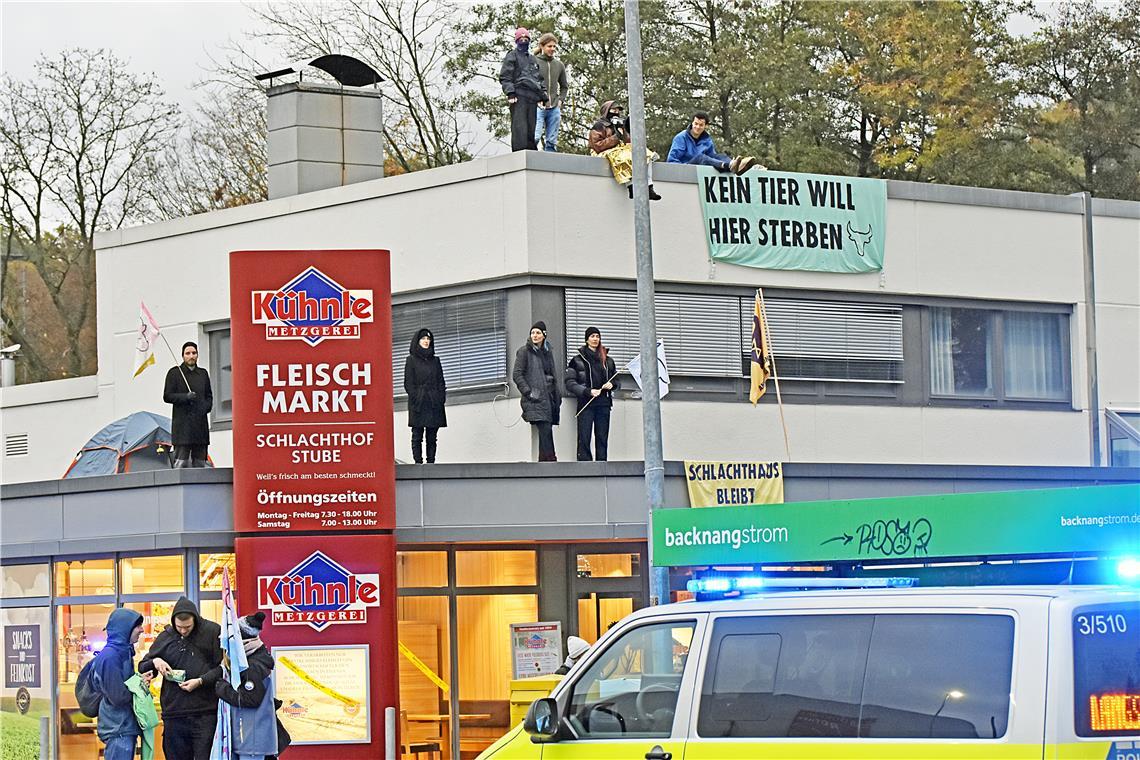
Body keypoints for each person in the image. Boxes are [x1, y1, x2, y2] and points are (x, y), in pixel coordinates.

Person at [139, 597, 223, 760]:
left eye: (188, 627)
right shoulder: (166, 636)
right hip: (174, 715)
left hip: (205, 713)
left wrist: (201, 681)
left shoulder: (212, 631)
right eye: (179, 627)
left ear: (195, 620)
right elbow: (143, 666)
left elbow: (224, 668)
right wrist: (155, 662)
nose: (183, 631)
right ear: (173, 622)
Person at [214, 612, 291, 759]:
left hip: (253, 740)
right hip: (253, 736)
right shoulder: (254, 658)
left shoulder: (252, 666)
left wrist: (222, 688)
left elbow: (250, 699)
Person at [95, 608, 147, 760]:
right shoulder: (111, 657)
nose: (141, 630)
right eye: (137, 626)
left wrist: (138, 680)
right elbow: (118, 697)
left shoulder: (122, 652)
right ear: (126, 628)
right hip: (119, 729)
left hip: (122, 727)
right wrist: (138, 686)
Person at [565, 326, 620, 461]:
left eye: (597, 336)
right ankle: (585, 467)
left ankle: (602, 466)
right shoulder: (577, 360)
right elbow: (569, 383)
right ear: (587, 339)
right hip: (586, 404)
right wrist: (587, 391)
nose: (595, 339)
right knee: (584, 437)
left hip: (604, 404)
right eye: (592, 336)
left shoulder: (608, 360)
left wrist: (612, 385)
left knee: (602, 437)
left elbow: (617, 380)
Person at [588, 100, 661, 200]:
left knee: (643, 154)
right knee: (623, 156)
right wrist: (615, 137)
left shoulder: (619, 124)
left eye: (618, 110)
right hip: (604, 152)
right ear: (606, 111)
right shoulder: (599, 126)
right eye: (613, 109)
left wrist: (626, 130)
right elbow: (597, 146)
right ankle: (631, 186)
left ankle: (649, 187)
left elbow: (628, 142)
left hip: (620, 149)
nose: (616, 112)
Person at [512, 321, 561, 461]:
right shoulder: (524, 351)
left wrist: (557, 396)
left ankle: (544, 463)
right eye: (532, 332)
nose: (535, 335)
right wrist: (529, 392)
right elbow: (517, 374)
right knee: (545, 429)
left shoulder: (547, 351)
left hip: (550, 398)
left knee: (546, 430)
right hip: (536, 398)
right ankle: (551, 461)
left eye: (538, 332)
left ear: (544, 335)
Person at [163, 341, 213, 468]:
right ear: (183, 356)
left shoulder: (203, 373)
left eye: (194, 353)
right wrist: (185, 397)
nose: (191, 356)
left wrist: (205, 408)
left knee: (201, 464)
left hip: (200, 427)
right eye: (188, 353)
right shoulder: (174, 373)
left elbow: (209, 396)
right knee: (181, 462)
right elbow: (167, 396)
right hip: (182, 428)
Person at [499, 27, 548, 152]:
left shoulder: (532, 59)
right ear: (516, 41)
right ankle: (520, 154)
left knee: (531, 128)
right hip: (518, 97)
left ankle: (531, 153)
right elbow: (505, 76)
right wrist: (510, 92)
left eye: (526, 39)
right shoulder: (512, 56)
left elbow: (539, 78)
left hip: (532, 98)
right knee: (520, 127)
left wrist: (543, 96)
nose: (524, 41)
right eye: (521, 39)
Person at [404, 328, 447, 464]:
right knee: (417, 435)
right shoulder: (411, 360)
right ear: (417, 341)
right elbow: (408, 383)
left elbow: (441, 381)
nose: (426, 341)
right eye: (423, 339)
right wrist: (417, 396)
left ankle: (431, 462)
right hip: (419, 403)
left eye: (428, 339)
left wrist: (440, 398)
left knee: (432, 436)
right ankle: (418, 462)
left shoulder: (436, 361)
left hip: (434, 402)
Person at [667, 111, 758, 175]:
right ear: (692, 123)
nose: (697, 127)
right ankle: (731, 165)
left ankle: (736, 166)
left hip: (701, 169)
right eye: (696, 124)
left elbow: (713, 158)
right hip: (685, 168)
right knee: (701, 157)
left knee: (720, 156)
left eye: (701, 125)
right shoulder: (681, 138)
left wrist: (720, 160)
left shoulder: (707, 139)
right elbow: (671, 160)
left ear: (706, 126)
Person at [533, 33, 569, 152]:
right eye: (549, 46)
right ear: (542, 46)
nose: (552, 49)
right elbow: (528, 83)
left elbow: (564, 86)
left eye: (554, 46)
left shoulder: (559, 65)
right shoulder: (534, 62)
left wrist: (560, 100)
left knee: (551, 141)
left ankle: (550, 164)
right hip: (538, 106)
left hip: (554, 106)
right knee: (535, 137)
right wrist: (535, 99)